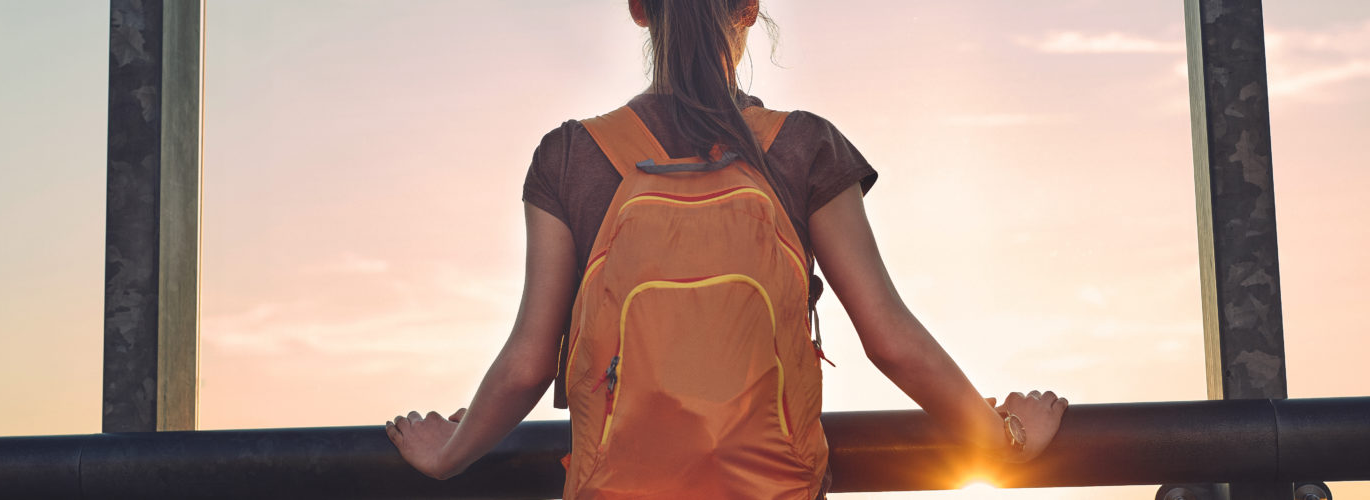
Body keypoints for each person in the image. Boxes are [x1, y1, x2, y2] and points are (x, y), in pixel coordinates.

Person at [386, 0, 1068, 497]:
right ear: (751, 8)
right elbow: (889, 339)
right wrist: (1002, 437)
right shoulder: (803, 146)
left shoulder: (572, 155)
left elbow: (528, 363)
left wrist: (449, 454)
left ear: (638, 11)